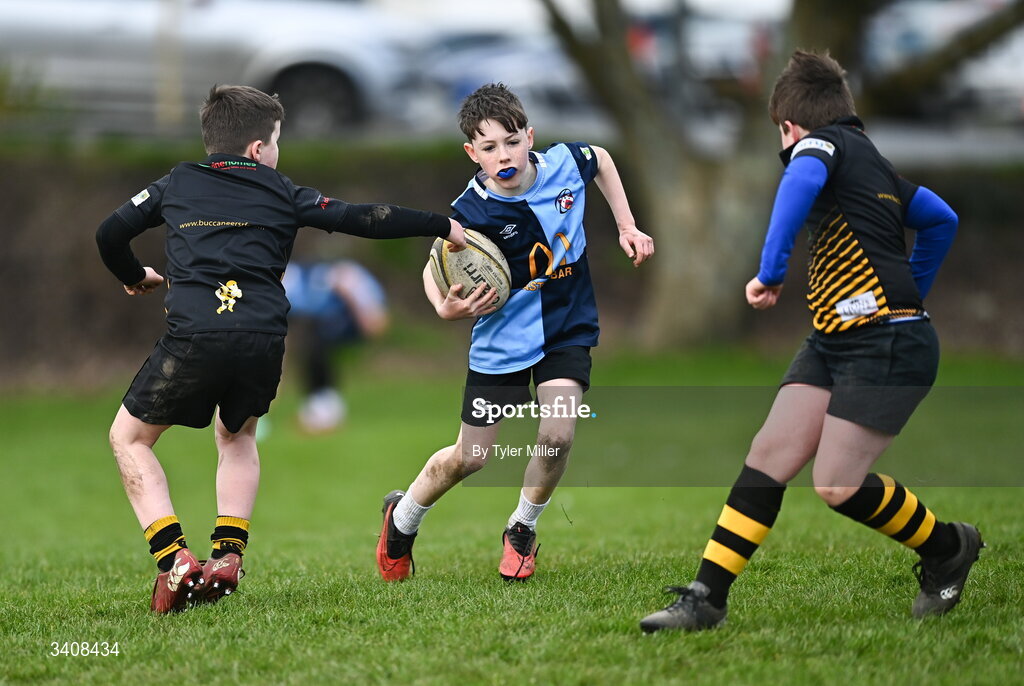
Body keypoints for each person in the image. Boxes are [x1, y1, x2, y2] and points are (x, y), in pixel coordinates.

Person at [639, 50, 978, 633]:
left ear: (789, 127)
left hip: (888, 345)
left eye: (784, 137)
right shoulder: (875, 164)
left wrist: (770, 273)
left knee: (837, 484)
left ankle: (948, 545)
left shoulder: (818, 147)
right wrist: (909, 288)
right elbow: (940, 218)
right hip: (834, 340)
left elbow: (800, 178)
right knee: (768, 457)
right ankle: (706, 598)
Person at [95, 85, 466, 613]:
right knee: (238, 436)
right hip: (263, 338)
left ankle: (174, 559)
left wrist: (135, 277)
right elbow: (362, 217)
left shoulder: (175, 182)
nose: (277, 154)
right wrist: (442, 224)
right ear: (255, 150)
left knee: (129, 438)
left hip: (195, 335)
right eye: (275, 143)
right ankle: (227, 554)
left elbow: (109, 234)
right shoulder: (281, 190)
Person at [375, 83, 654, 582]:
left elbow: (604, 160)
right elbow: (434, 263)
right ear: (472, 153)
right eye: (488, 147)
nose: (502, 155)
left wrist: (626, 226)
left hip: (568, 328)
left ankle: (521, 530)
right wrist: (444, 306)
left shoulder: (567, 164)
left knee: (558, 434)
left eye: (511, 141)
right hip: (501, 344)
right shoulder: (470, 210)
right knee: (471, 458)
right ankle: (401, 520)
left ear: (530, 136)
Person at [283, 259, 389, 433]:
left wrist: (350, 297)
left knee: (316, 347)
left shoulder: (352, 279)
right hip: (317, 324)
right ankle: (319, 407)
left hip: (340, 322)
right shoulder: (294, 283)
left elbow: (375, 326)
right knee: (313, 346)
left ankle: (324, 408)